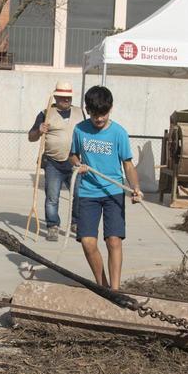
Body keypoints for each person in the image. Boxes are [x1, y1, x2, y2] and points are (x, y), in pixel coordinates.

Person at [69, 85, 141, 290]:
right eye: (94, 114)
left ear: (110, 109)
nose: (99, 119)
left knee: (113, 241)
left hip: (113, 192)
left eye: (103, 114)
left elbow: (128, 164)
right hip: (88, 193)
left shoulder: (118, 133)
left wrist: (135, 187)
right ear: (88, 110)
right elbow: (72, 154)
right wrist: (77, 164)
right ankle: (103, 287)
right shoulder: (80, 130)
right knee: (88, 242)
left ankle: (115, 290)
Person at [27, 80, 83, 240]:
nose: (66, 100)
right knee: (52, 197)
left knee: (80, 195)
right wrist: (39, 130)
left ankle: (76, 222)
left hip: (76, 163)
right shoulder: (45, 114)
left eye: (69, 97)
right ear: (56, 96)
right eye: (63, 97)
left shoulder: (80, 113)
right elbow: (31, 137)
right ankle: (52, 226)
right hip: (53, 163)